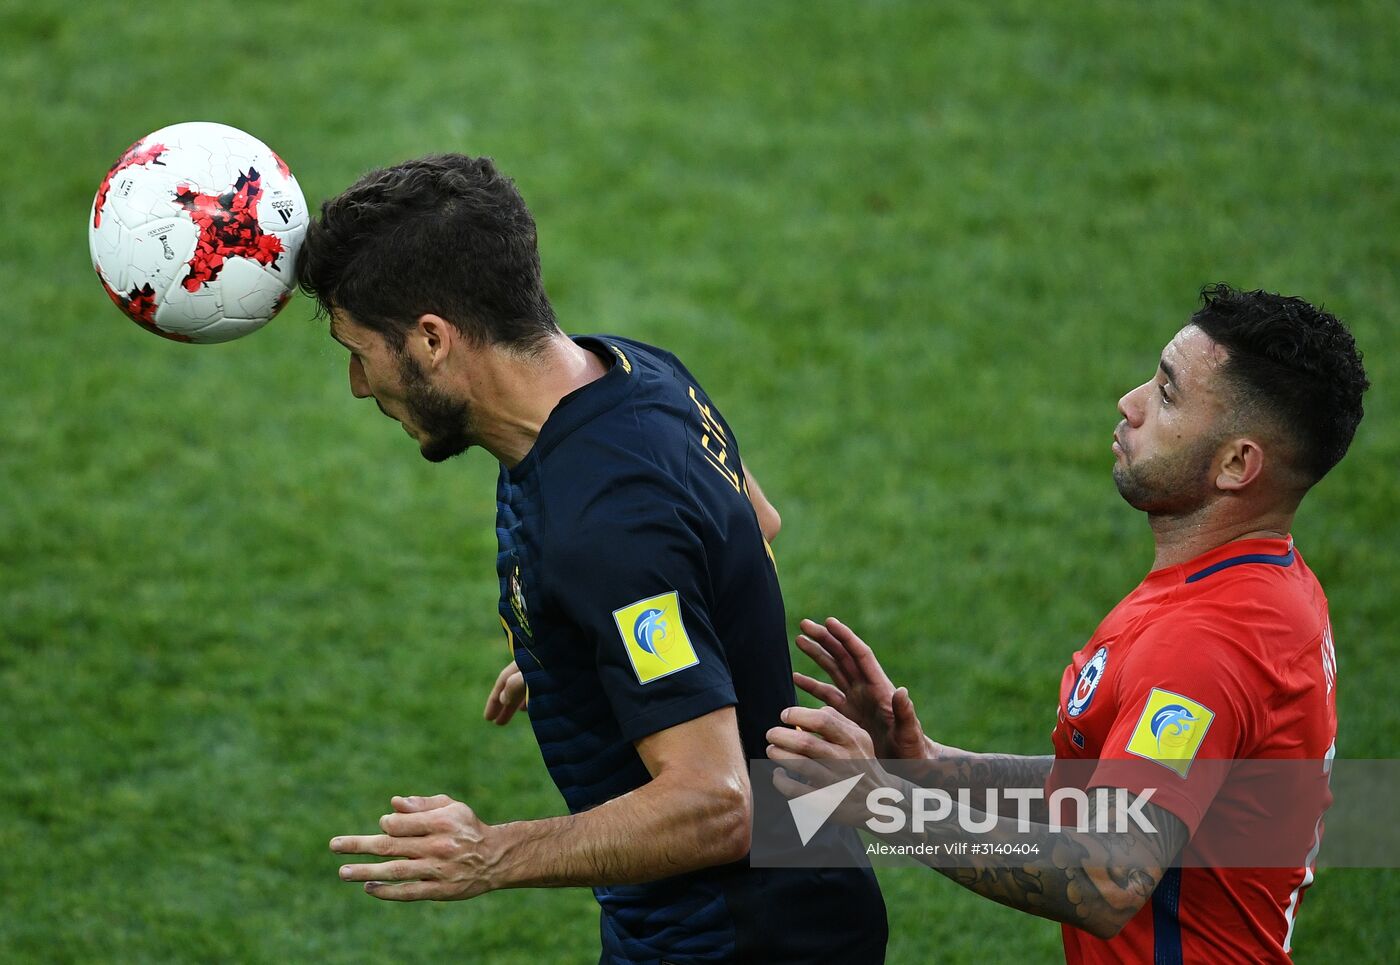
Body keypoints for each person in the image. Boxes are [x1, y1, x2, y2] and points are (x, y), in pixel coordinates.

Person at [297, 154, 886, 963]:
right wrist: (596, 644)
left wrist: (492, 853)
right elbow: (755, 520)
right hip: (794, 881)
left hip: (740, 934)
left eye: (360, 351)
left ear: (432, 339)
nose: (359, 385)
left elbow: (718, 803)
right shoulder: (633, 370)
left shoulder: (607, 526)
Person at [766, 285, 1368, 962]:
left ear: (1236, 464)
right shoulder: (1264, 583)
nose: (1130, 403)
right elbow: (1107, 790)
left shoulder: (1207, 645)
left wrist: (883, 802)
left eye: (1167, 395)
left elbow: (1104, 879)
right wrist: (926, 766)